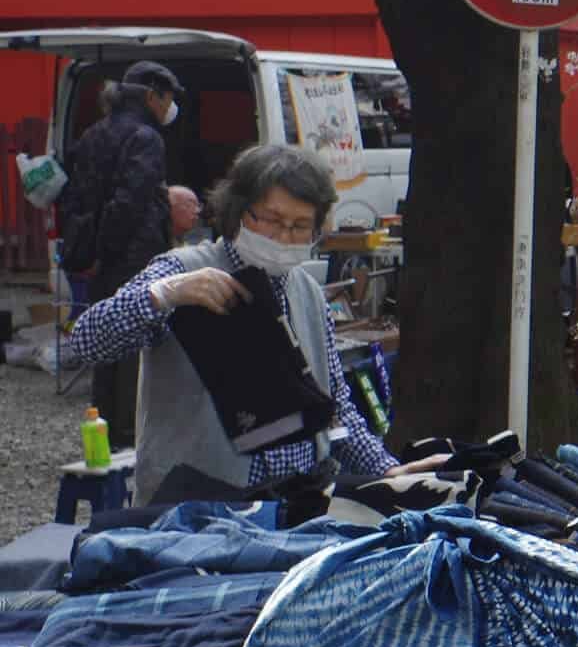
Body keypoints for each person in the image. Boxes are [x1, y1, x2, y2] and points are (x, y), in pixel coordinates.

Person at [62, 144, 446, 503]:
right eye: (272, 220)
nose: (283, 236)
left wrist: (386, 470)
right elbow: (87, 340)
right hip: (198, 508)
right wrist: (162, 295)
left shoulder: (308, 293)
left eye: (300, 226)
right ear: (239, 211)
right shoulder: (182, 271)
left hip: (296, 503)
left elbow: (335, 406)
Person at [57, 60, 182, 450]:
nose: (171, 107)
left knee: (105, 342)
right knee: (135, 347)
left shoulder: (94, 133)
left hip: (101, 260)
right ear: (152, 96)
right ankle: (131, 438)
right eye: (169, 98)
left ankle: (107, 430)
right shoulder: (146, 138)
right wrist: (110, 248)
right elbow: (130, 202)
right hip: (134, 257)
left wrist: (91, 251)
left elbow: (78, 199)